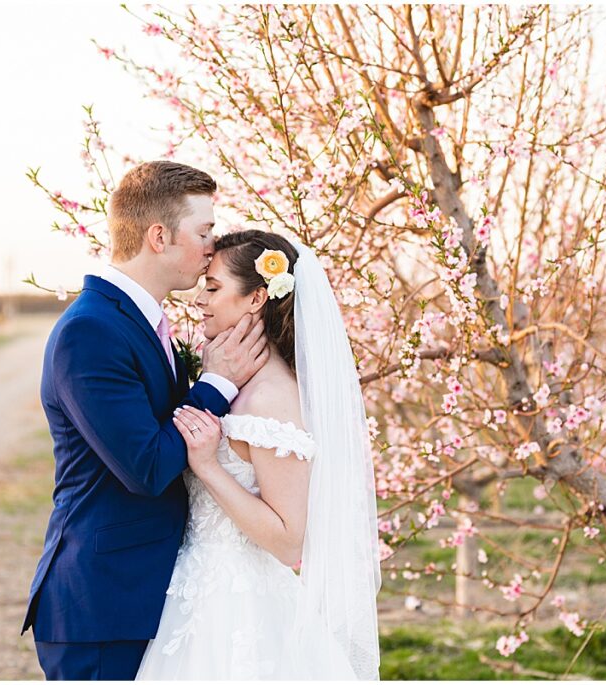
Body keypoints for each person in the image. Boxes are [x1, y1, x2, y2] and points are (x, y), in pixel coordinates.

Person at [21, 161, 269, 680]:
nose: (210, 247)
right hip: (103, 605)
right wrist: (218, 383)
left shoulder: (143, 320)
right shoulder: (90, 332)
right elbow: (148, 467)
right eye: (203, 232)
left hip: (151, 596)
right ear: (159, 236)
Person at [136, 230, 382, 680]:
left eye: (213, 287)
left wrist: (209, 467)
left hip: (241, 608)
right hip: (192, 595)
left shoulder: (271, 398)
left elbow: (289, 541)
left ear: (257, 298)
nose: (199, 300)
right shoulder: (231, 385)